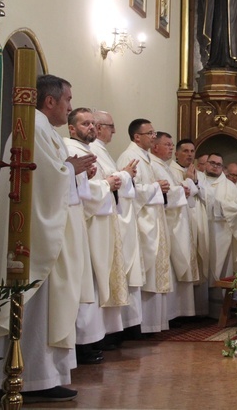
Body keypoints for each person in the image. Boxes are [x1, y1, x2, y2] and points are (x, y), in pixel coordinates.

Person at [0, 75, 96, 402]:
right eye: (68, 100)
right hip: (32, 238)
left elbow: (54, 175)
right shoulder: (34, 127)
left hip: (41, 231)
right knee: (33, 306)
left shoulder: (44, 130)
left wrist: (72, 171)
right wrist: (70, 170)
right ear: (50, 101)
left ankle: (39, 377)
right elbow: (45, 177)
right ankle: (25, 380)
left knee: (41, 307)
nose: (70, 107)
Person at [65, 108, 127, 365]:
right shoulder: (69, 148)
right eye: (86, 123)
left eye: (93, 123)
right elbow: (80, 189)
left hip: (96, 224)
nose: (92, 127)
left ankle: (91, 341)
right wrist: (107, 184)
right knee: (84, 286)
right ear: (71, 128)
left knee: (92, 284)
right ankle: (84, 344)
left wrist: (108, 183)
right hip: (85, 227)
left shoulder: (90, 151)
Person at [117, 119, 173, 334]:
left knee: (152, 276)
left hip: (152, 220)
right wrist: (155, 187)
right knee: (143, 275)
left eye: (154, 132)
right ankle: (139, 326)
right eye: (149, 133)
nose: (153, 136)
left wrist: (158, 188)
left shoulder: (146, 158)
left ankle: (153, 324)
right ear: (136, 137)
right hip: (141, 224)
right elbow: (129, 191)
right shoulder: (129, 157)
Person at [91, 111, 142, 334]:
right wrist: (126, 174)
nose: (114, 131)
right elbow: (106, 184)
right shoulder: (93, 150)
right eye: (110, 126)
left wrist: (124, 176)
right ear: (99, 127)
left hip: (112, 218)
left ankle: (111, 331)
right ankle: (101, 334)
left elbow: (114, 182)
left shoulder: (102, 151)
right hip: (100, 222)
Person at [150, 132, 197, 320]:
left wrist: (183, 187)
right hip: (166, 223)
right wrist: (183, 187)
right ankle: (168, 315)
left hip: (175, 221)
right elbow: (165, 193)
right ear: (155, 147)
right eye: (167, 145)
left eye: (171, 145)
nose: (170, 148)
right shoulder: (154, 165)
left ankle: (176, 313)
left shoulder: (163, 166)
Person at [172, 138, 210, 316]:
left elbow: (207, 196)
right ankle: (181, 310)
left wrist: (194, 182)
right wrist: (189, 182)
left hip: (197, 221)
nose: (189, 155)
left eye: (192, 151)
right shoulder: (171, 170)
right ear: (176, 153)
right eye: (185, 151)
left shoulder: (199, 173)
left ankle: (198, 309)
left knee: (198, 260)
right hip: (180, 221)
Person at [199, 153, 237, 280]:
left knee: (221, 267)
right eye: (212, 163)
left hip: (222, 231)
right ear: (206, 163)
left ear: (222, 167)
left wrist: (219, 204)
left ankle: (221, 297)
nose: (215, 166)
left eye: (218, 164)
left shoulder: (229, 186)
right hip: (201, 229)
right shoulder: (198, 180)